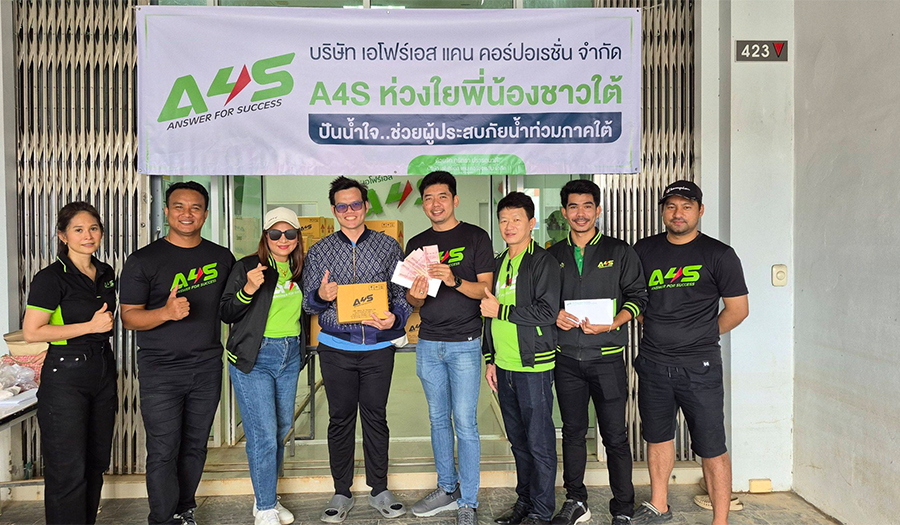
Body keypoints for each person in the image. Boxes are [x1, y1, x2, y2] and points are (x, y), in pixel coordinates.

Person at [631, 180, 749, 525]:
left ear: (700, 210)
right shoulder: (644, 251)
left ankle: (720, 520)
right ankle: (660, 505)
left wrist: (700, 334)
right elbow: (634, 300)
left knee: (712, 446)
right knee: (657, 437)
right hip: (653, 363)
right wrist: (651, 323)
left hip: (700, 367)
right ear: (662, 212)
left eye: (686, 206)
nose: (677, 213)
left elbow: (738, 309)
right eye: (671, 206)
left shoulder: (719, 254)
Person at [120, 182, 235, 525]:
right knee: (163, 449)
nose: (187, 214)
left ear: (205, 214)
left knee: (195, 445)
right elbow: (129, 317)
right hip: (160, 370)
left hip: (207, 366)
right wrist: (165, 313)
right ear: (167, 211)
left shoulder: (221, 258)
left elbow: (231, 308)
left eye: (195, 207)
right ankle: (161, 518)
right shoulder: (143, 260)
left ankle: (184, 510)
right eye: (179, 207)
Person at [301, 176, 413, 524]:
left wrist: (395, 317)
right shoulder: (320, 250)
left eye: (355, 204)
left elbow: (402, 296)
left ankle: (380, 489)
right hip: (336, 348)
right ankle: (341, 491)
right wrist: (322, 296)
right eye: (341, 206)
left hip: (378, 348)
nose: (349, 211)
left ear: (365, 206)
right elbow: (308, 304)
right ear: (334, 210)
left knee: (376, 417)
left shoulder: (388, 246)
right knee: (340, 418)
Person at [547, 180, 647, 525]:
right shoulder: (552, 255)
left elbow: (639, 297)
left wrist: (614, 323)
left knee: (615, 436)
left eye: (587, 206)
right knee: (573, 433)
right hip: (566, 360)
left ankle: (623, 508)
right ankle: (576, 500)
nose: (581, 213)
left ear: (598, 210)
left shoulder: (619, 251)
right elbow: (542, 302)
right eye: (573, 207)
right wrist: (554, 315)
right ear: (564, 212)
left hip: (607, 358)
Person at [404, 171, 494, 525]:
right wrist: (417, 293)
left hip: (465, 344)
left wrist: (454, 280)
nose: (435, 204)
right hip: (428, 343)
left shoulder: (476, 237)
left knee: (466, 424)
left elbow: (485, 290)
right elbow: (413, 301)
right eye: (428, 198)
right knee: (438, 419)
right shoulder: (417, 243)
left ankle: (468, 500)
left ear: (455, 200)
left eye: (442, 196)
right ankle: (447, 487)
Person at [23, 202, 117, 525]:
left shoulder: (105, 273)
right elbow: (32, 331)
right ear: (63, 236)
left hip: (102, 369)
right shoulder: (50, 278)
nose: (88, 236)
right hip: (65, 376)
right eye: (78, 230)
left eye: (93, 228)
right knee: (67, 469)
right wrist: (89, 326)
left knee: (95, 462)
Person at [220, 207, 308, 525]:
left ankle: (266, 498)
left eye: (289, 233)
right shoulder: (247, 266)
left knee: (281, 430)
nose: (282, 239)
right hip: (254, 357)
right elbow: (226, 312)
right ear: (265, 236)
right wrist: (248, 290)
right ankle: (266, 507)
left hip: (289, 355)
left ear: (297, 237)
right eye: (275, 233)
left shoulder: (300, 268)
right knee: (264, 434)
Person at [481, 192, 561, 525]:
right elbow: (487, 315)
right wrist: (490, 358)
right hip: (504, 366)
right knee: (518, 441)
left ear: (532, 223)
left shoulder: (542, 261)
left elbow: (547, 311)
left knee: (539, 443)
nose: (509, 226)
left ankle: (541, 511)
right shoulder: (499, 262)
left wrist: (501, 310)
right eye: (503, 220)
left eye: (516, 219)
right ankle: (525, 502)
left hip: (533, 366)